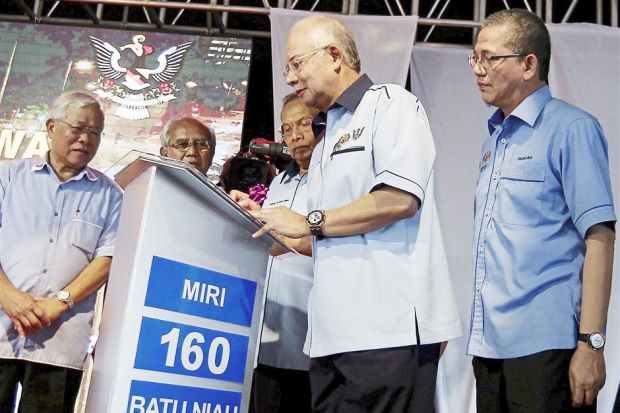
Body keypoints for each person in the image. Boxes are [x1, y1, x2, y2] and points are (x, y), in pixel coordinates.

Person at [233, 15, 461, 413]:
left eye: (296, 64)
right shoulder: (327, 139)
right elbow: (313, 240)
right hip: (331, 338)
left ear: (334, 56)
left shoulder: (392, 105)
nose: (290, 78)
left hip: (386, 333)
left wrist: (309, 221)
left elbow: (398, 199)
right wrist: (262, 219)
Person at [467, 9, 616, 413]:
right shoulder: (492, 139)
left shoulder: (572, 129)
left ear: (529, 63)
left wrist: (591, 344)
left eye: (488, 58)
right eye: (474, 58)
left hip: (549, 348)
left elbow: (600, 237)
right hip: (490, 350)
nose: (478, 69)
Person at [0, 91, 123, 412]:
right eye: (78, 128)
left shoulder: (110, 195)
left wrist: (61, 301)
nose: (86, 139)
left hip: (61, 338)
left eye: (95, 133)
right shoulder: (8, 177)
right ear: (51, 125)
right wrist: (8, 296)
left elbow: (107, 259)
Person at [250, 93, 319, 413]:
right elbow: (270, 240)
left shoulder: (335, 179)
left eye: (303, 123)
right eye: (286, 127)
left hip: (311, 339)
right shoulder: (277, 183)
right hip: (266, 339)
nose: (294, 134)